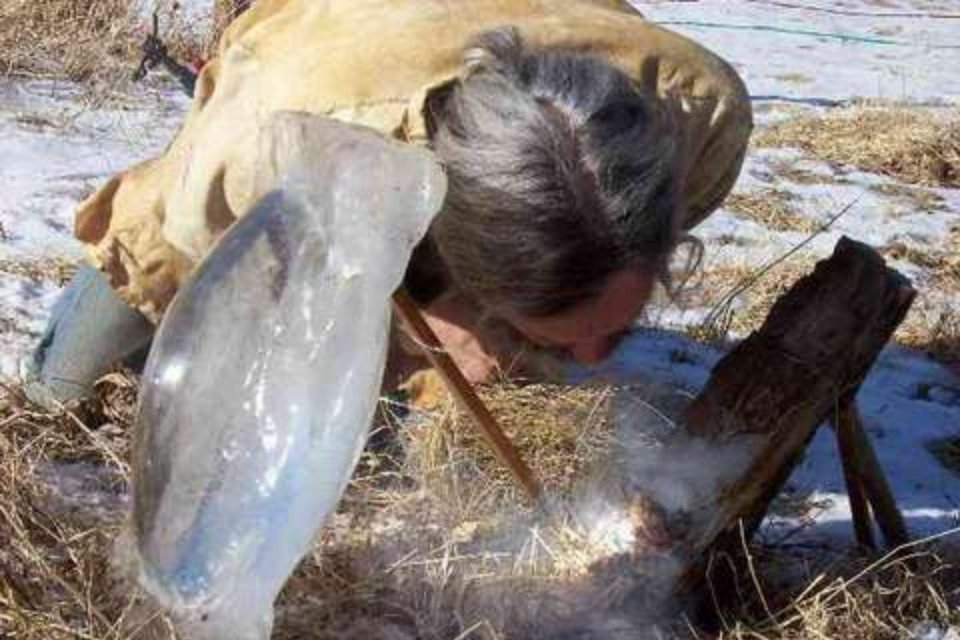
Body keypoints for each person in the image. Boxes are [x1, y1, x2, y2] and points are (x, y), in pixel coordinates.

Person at [23, 0, 752, 407]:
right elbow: (217, 267)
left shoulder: (701, 115)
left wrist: (486, 325)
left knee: (442, 418)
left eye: (610, 332)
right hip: (325, 52)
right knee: (65, 393)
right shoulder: (270, 143)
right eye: (571, 337)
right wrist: (413, 320)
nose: (595, 360)